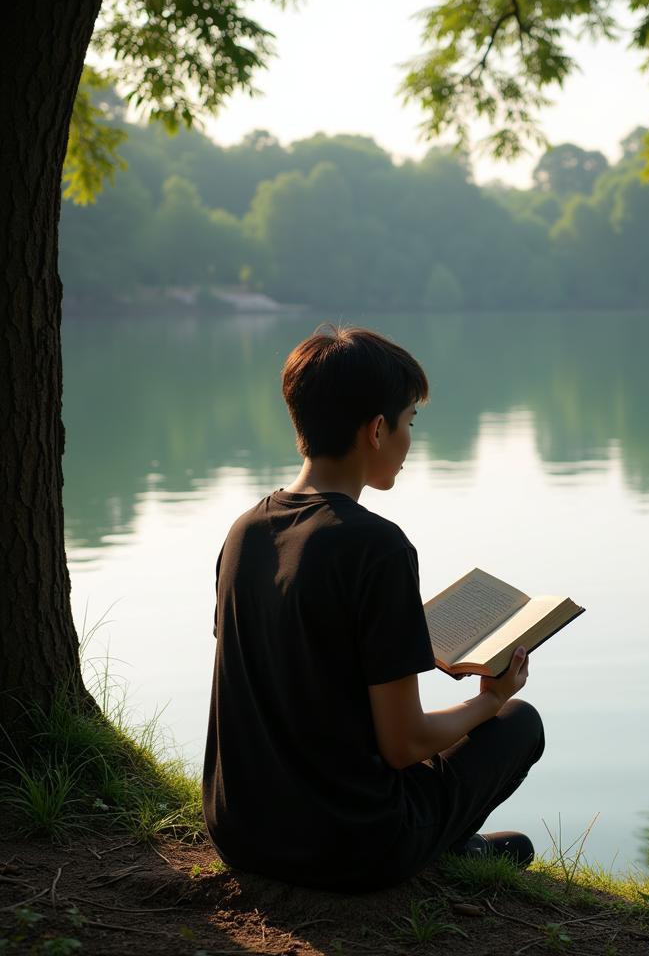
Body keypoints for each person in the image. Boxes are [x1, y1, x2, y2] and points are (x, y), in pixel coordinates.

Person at [202, 326, 544, 891]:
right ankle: (445, 841)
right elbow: (403, 743)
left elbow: (289, 665)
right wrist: (491, 700)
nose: (411, 437)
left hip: (241, 830)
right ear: (377, 429)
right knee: (518, 725)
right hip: (349, 846)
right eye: (411, 421)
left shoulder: (246, 530)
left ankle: (449, 837)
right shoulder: (376, 546)